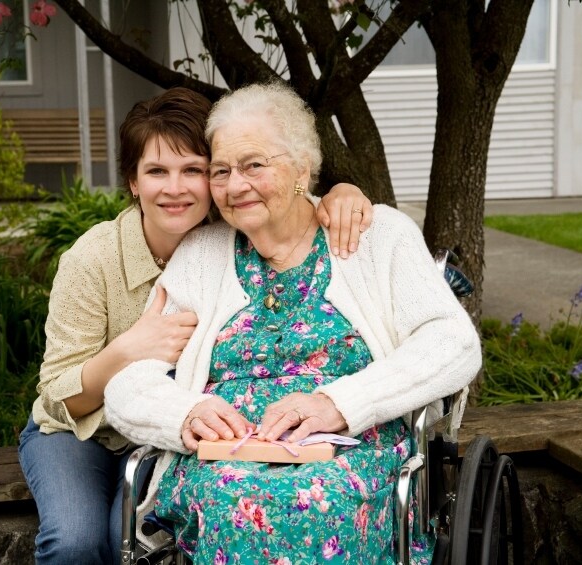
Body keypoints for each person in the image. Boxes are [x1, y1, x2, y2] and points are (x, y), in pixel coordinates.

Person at [103, 82, 482, 564]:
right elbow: (129, 383)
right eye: (221, 171)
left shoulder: (377, 235)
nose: (235, 185)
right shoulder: (200, 256)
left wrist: (339, 402)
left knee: (318, 498)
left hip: (351, 449)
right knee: (231, 499)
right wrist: (186, 415)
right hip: (224, 462)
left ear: (302, 168)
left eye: (254, 165)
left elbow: (453, 343)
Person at [17, 86, 374, 565]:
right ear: (133, 182)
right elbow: (59, 398)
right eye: (156, 172)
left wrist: (343, 193)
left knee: (137, 534)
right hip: (82, 431)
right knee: (75, 541)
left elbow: (290, 201)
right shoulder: (93, 260)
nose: (176, 188)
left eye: (194, 170)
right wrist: (128, 350)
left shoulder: (235, 233)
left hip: (163, 430)